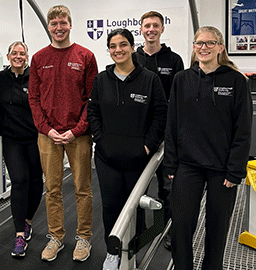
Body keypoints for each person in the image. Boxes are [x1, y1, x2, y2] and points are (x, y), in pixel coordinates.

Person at [163, 26, 252, 270]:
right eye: (199, 43)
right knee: (181, 225)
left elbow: (243, 129)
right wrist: (170, 163)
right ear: (193, 47)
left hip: (222, 169)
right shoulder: (182, 79)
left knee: (217, 227)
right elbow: (172, 122)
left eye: (210, 43)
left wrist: (235, 171)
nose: (204, 47)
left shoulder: (236, 81)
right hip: (188, 165)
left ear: (221, 47)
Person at [87, 28, 167, 270]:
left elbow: (160, 115)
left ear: (133, 47)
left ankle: (134, 247)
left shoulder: (150, 79)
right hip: (106, 157)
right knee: (111, 206)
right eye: (113, 46)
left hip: (137, 158)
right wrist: (101, 141)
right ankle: (113, 253)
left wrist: (147, 146)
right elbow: (93, 113)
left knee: (134, 209)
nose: (118, 50)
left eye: (123, 45)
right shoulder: (102, 80)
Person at [28, 5, 98, 262]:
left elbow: (92, 99)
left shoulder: (86, 56)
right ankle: (56, 237)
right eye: (54, 23)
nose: (59, 27)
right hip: (48, 135)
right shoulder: (38, 58)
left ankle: (84, 237)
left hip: (78, 135)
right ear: (48, 27)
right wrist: (46, 129)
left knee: (83, 188)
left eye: (63, 23)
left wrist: (77, 130)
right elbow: (34, 99)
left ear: (70, 24)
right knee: (52, 189)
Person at [136, 10, 185, 249]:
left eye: (155, 25)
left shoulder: (174, 60)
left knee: (167, 186)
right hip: (140, 134)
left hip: (167, 136)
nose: (151, 29)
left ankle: (167, 229)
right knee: (138, 186)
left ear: (162, 29)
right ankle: (141, 230)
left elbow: (179, 99)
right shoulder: (134, 59)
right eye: (147, 26)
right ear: (141, 29)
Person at [0, 41, 43, 257]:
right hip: (12, 140)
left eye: (22, 53)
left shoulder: (36, 77)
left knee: (35, 183)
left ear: (27, 57)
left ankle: (27, 221)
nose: (18, 56)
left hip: (35, 139)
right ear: (8, 56)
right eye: (14, 53)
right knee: (19, 181)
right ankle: (19, 236)